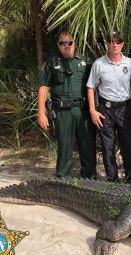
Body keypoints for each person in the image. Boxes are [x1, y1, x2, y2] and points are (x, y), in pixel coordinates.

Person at [37, 32, 96, 179]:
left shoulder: (85, 61)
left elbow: (95, 85)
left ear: (74, 44)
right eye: (63, 43)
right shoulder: (52, 62)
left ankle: (89, 177)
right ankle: (63, 178)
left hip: (83, 111)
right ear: (58, 45)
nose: (67, 46)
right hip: (62, 112)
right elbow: (43, 87)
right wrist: (41, 113)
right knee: (64, 147)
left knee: (87, 145)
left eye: (69, 43)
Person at [86, 31, 131, 183]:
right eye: (111, 41)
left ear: (122, 44)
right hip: (105, 109)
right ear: (107, 44)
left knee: (128, 144)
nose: (115, 44)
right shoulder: (99, 64)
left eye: (118, 42)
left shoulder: (130, 64)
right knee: (107, 146)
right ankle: (112, 179)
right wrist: (92, 110)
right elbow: (91, 87)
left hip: (124, 108)